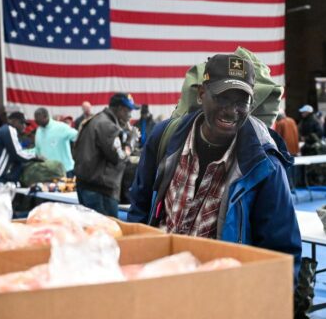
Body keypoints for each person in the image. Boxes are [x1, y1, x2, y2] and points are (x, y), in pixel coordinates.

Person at [127, 54, 302, 284]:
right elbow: (140, 210)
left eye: (241, 101)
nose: (231, 111)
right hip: (159, 282)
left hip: (221, 293)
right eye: (223, 98)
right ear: (201, 94)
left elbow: (281, 253)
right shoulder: (165, 138)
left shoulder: (265, 166)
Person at [73, 93, 139, 217]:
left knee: (92, 232)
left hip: (88, 186)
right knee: (106, 233)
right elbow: (119, 157)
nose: (130, 115)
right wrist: (132, 140)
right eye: (128, 111)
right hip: (100, 190)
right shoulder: (107, 125)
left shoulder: (96, 120)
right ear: (120, 109)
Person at [0, 111, 40, 192]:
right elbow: (18, 154)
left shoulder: (5, 130)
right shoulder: (10, 130)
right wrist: (35, 157)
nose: (24, 126)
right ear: (13, 121)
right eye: (22, 123)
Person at [34, 108, 78, 177]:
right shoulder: (38, 131)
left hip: (65, 171)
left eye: (38, 120)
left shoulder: (61, 127)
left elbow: (79, 137)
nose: (36, 122)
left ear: (46, 117)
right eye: (36, 120)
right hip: (47, 172)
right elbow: (37, 150)